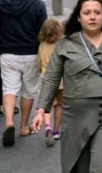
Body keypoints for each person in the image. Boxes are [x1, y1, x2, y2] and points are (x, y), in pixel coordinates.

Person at [32, 0, 102, 172]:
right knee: (78, 168)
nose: (92, 16)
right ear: (79, 17)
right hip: (75, 117)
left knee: (100, 168)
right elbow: (51, 78)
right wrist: (41, 110)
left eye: (97, 12)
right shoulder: (65, 44)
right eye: (87, 12)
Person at [0, 0, 48, 146]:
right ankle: (23, 126)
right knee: (29, 91)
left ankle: (8, 122)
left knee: (9, 89)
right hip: (31, 53)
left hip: (8, 53)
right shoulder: (38, 5)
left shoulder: (3, 3)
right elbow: (44, 31)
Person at [37, 18, 64, 146]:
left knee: (48, 105)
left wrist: (40, 72)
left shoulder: (42, 45)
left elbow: (39, 62)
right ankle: (57, 130)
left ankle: (47, 126)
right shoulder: (61, 44)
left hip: (48, 79)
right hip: (62, 80)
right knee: (59, 105)